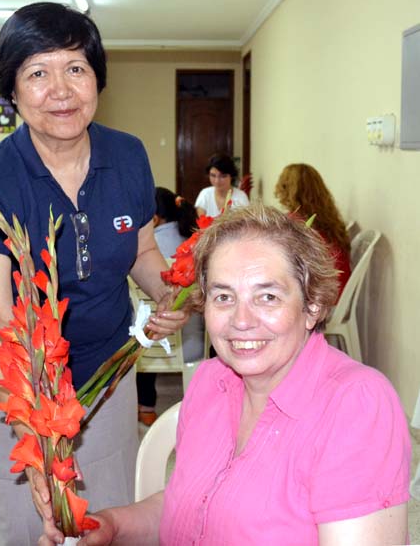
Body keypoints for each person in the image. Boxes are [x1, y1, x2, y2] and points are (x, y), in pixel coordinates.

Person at [0, 1, 187, 546]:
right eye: (37, 73)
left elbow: (142, 250)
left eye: (76, 68)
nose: (60, 90)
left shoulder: (127, 155)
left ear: (97, 81)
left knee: (108, 517)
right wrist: (29, 427)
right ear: (12, 91)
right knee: (27, 524)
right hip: (19, 385)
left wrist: (169, 292)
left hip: (106, 374)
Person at [69, 203, 411, 546]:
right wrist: (112, 525)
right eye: (223, 296)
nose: (241, 320)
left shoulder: (355, 406)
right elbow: (192, 508)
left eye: (267, 296)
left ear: (312, 306)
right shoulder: (210, 382)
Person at [137, 187, 204, 427]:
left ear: (153, 219)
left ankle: (146, 406)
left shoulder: (143, 249)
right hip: (194, 346)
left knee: (140, 319)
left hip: (150, 344)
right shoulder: (194, 242)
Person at [275, 163, 351, 298]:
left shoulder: (295, 222)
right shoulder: (328, 219)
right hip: (340, 291)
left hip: (323, 296)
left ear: (286, 190)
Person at [195, 153, 249, 217]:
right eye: (213, 175)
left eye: (223, 176)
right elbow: (200, 222)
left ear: (231, 176)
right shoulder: (205, 194)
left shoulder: (241, 197)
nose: (217, 181)